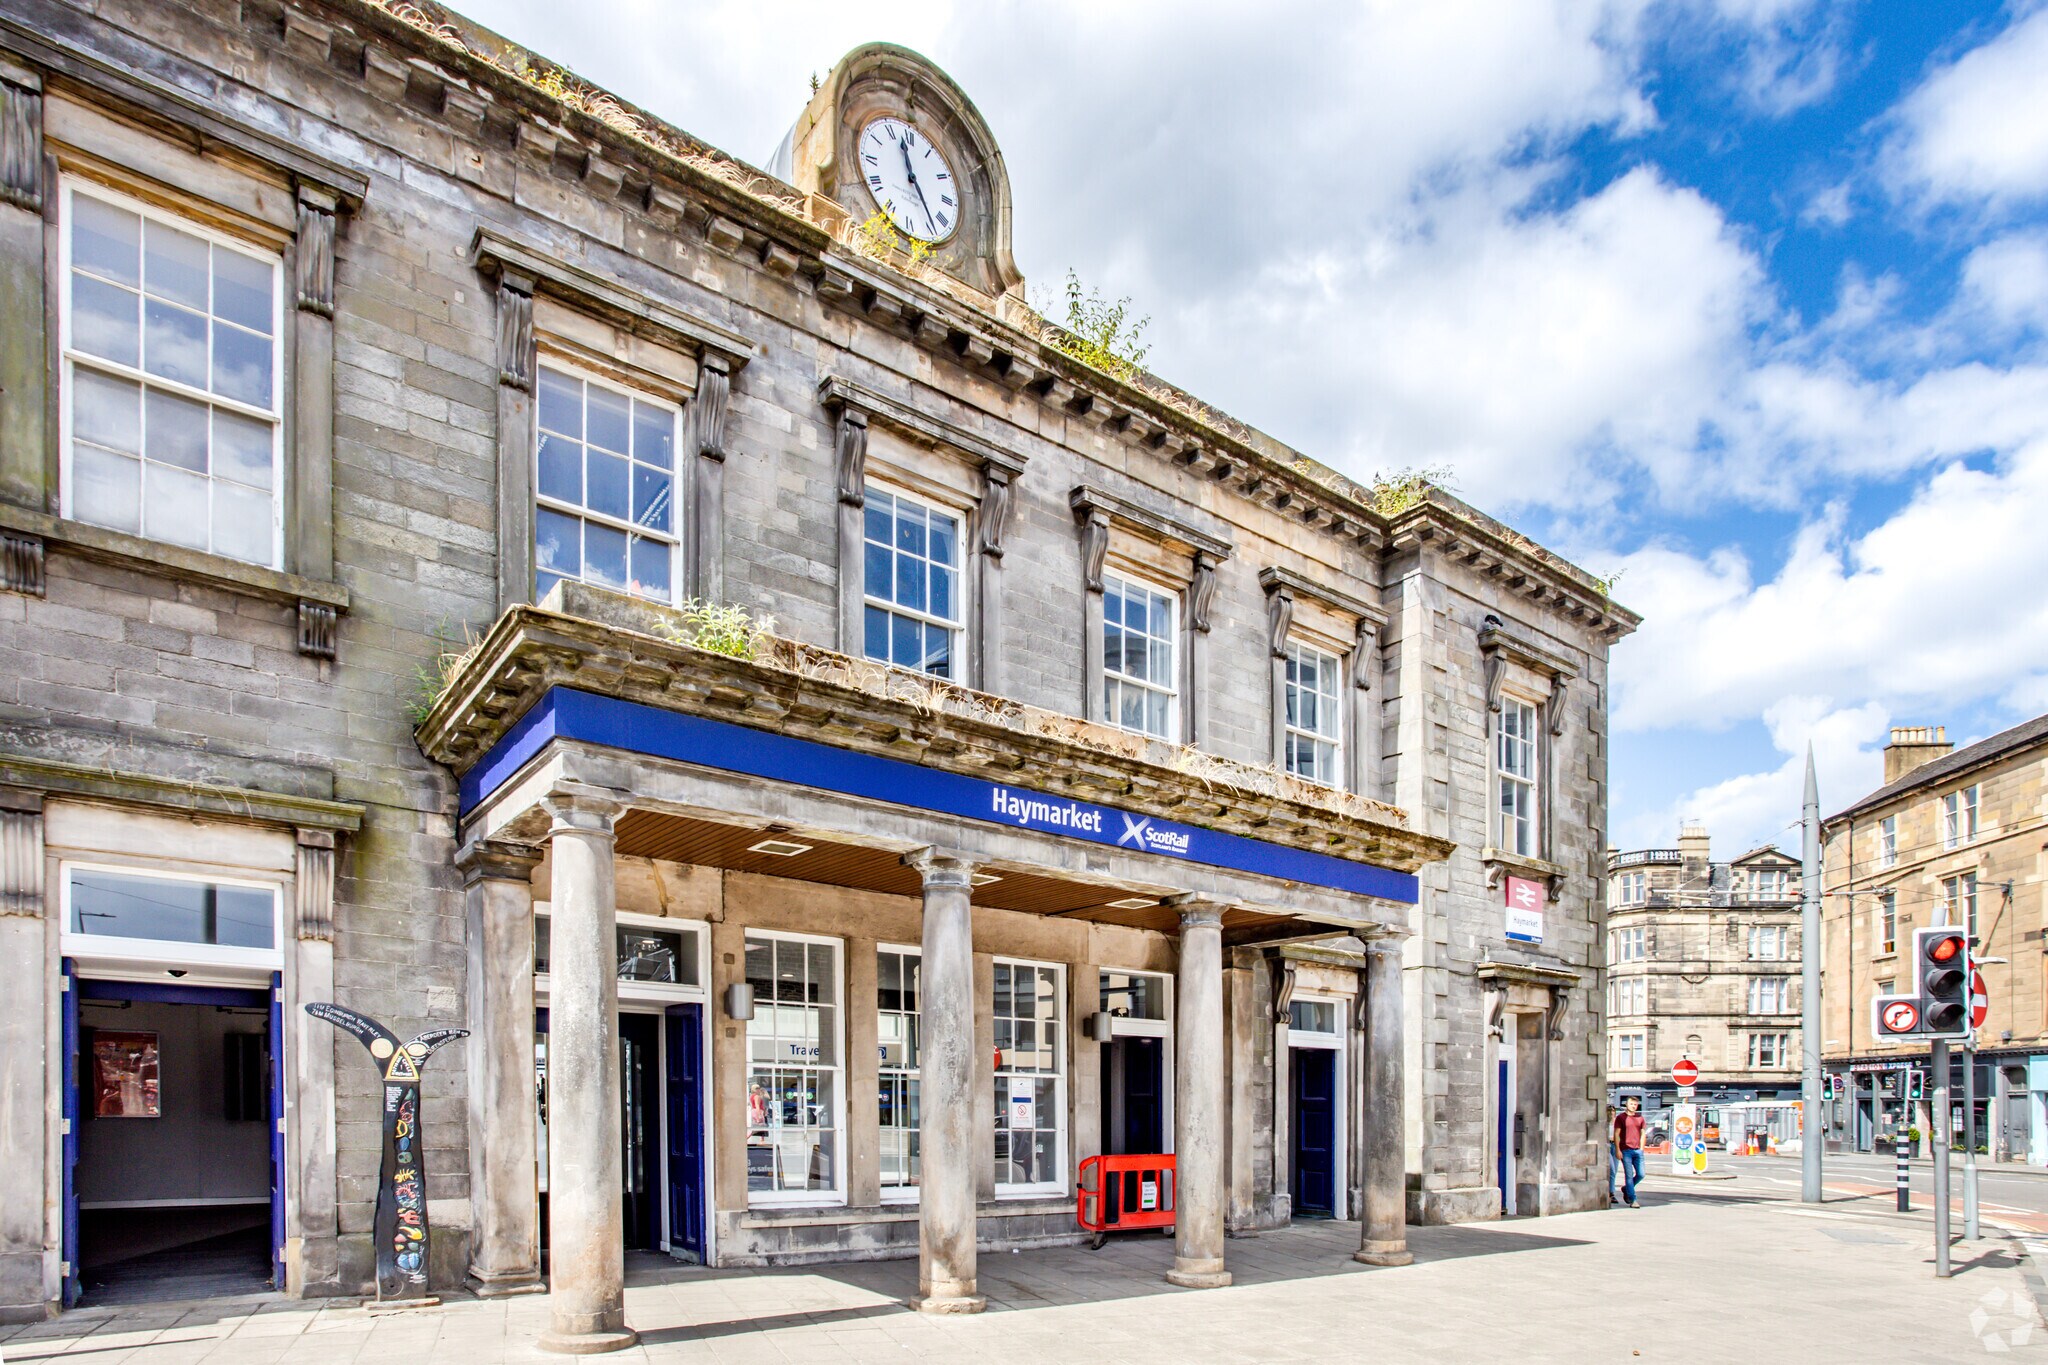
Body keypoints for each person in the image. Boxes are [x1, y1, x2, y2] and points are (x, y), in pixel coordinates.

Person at [1612, 1094, 1647, 1207]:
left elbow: (1643, 1134)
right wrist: (1618, 1149)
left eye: (1635, 1104)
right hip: (1625, 1150)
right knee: (1629, 1175)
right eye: (1631, 1104)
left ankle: (1626, 1188)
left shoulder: (1640, 1118)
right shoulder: (1621, 1118)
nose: (1633, 1106)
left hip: (1637, 1150)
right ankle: (1633, 1199)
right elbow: (1616, 1134)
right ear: (1626, 1104)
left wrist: (1641, 1148)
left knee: (1641, 1174)